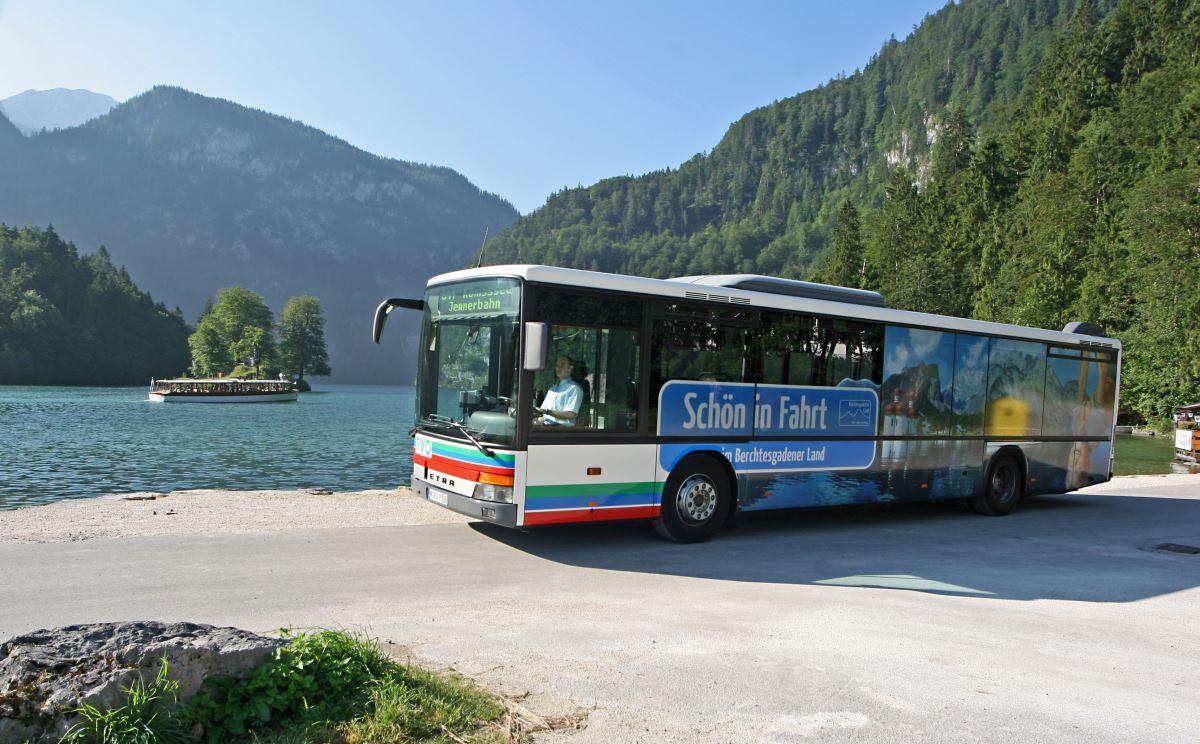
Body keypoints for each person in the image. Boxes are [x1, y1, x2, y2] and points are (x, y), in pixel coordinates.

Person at [536, 355, 583, 426]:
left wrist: (548, 412)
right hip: (545, 427)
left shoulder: (574, 388)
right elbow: (543, 412)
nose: (559, 368)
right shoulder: (553, 389)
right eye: (557, 365)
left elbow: (570, 414)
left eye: (562, 365)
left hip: (561, 430)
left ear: (570, 368)